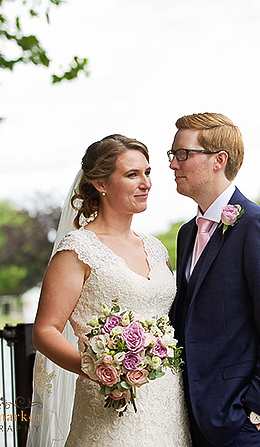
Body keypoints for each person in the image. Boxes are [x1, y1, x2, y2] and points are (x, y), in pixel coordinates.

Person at [30, 134, 190, 446]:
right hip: (107, 404)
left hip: (168, 402)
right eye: (132, 175)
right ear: (101, 184)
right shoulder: (77, 250)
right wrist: (100, 370)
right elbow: (45, 330)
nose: (145, 183)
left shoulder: (156, 249)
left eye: (147, 172)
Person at [169, 113, 260, 447]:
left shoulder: (259, 226)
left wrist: (256, 415)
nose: (173, 164)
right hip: (191, 419)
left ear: (219, 160)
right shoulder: (187, 233)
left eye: (183, 154)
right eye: (172, 155)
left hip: (241, 425)